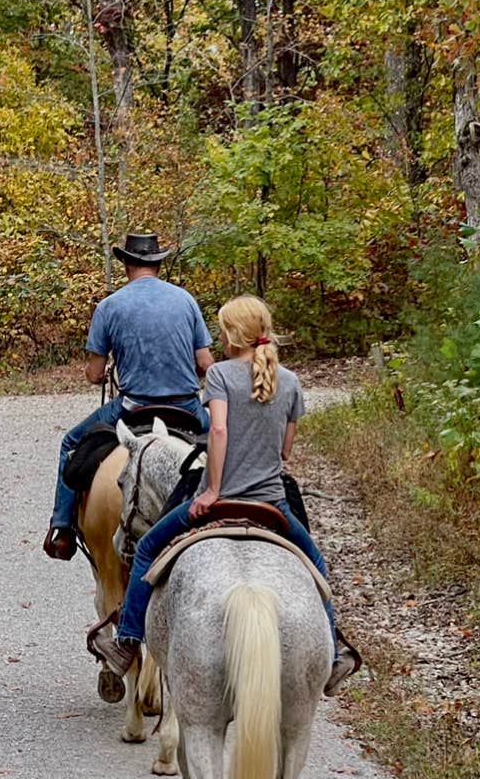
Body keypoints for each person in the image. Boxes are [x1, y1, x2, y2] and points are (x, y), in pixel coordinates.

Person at [86, 293, 361, 696]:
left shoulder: (220, 377)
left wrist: (213, 490)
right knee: (315, 563)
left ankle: (127, 642)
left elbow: (217, 431)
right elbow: (285, 451)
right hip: (273, 503)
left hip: (219, 499)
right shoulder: (290, 381)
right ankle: (335, 650)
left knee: (146, 551)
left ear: (232, 335)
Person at [43, 232, 214, 560]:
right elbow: (205, 363)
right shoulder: (186, 300)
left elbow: (95, 375)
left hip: (135, 408)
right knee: (226, 444)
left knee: (70, 443)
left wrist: (104, 369)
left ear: (126, 265)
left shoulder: (109, 306)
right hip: (188, 408)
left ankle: (62, 529)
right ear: (158, 265)